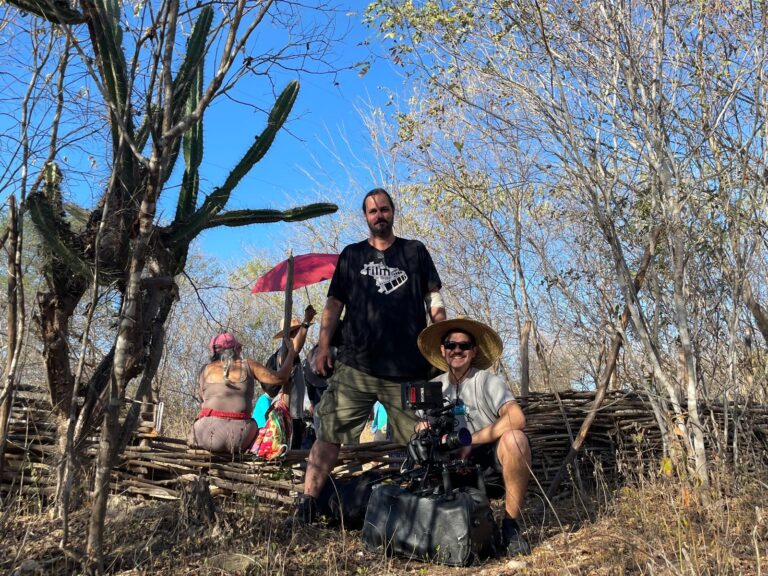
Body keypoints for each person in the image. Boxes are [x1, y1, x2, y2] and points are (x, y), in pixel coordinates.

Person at [298, 187, 447, 522]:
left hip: (408, 367)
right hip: (356, 366)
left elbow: (433, 298)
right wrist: (323, 347)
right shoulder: (352, 255)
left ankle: (427, 510)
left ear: (393, 211)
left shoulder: (415, 252)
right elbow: (333, 304)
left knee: (422, 437)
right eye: (373, 211)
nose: (379, 215)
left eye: (384, 209)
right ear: (365, 217)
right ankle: (307, 505)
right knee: (329, 433)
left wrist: (442, 335)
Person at [416, 317, 532, 556]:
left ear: (474, 351)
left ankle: (510, 526)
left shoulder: (487, 381)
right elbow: (420, 427)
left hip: (486, 462)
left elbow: (516, 418)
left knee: (516, 440)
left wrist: (470, 439)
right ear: (443, 350)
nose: (457, 350)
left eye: (464, 345)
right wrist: (423, 429)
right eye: (451, 345)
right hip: (446, 464)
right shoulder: (433, 387)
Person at [188, 332, 295, 453]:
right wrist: (291, 352)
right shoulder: (248, 365)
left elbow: (202, 398)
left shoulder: (204, 371)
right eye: (239, 348)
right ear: (235, 349)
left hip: (206, 435)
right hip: (241, 437)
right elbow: (281, 378)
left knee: (196, 428)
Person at [263, 305, 316, 449]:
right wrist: (306, 322)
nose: (299, 334)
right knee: (287, 452)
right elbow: (296, 347)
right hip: (285, 414)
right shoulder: (284, 354)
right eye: (296, 332)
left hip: (294, 415)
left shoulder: (293, 356)